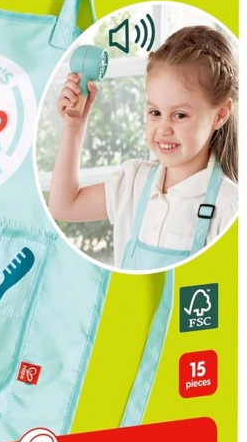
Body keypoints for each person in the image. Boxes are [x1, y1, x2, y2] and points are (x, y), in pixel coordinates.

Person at [49, 25, 238, 270]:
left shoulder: (230, 205)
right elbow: (64, 206)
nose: (163, 128)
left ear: (220, 114)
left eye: (180, 115)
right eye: (155, 112)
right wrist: (74, 126)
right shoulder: (133, 181)